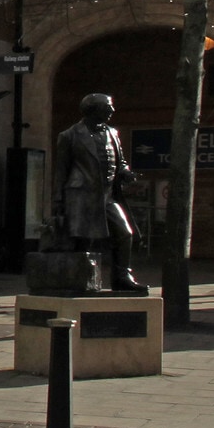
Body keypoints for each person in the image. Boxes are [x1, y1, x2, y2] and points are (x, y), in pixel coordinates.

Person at [53, 91, 146, 293]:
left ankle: (122, 277)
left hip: (107, 195)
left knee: (125, 233)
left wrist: (126, 173)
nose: (112, 110)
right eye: (107, 106)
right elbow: (61, 171)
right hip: (82, 196)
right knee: (83, 241)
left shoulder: (113, 133)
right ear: (92, 109)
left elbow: (119, 162)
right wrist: (59, 201)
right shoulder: (69, 136)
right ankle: (80, 279)